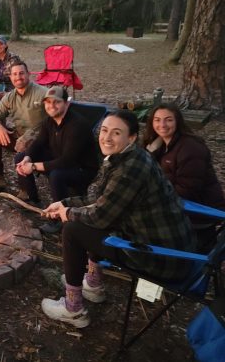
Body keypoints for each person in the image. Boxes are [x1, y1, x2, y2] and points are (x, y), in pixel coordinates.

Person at [40, 110, 195, 328]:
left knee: (73, 230)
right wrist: (64, 203)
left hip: (162, 256)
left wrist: (67, 214)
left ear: (131, 138)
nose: (107, 138)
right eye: (104, 130)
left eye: (116, 133)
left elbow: (100, 216)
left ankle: (73, 309)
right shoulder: (125, 156)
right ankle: (93, 285)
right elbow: (97, 198)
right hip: (163, 244)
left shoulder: (130, 168)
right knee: (84, 219)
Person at [15, 86, 99, 233]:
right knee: (20, 156)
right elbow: (39, 142)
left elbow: (67, 160)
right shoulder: (50, 121)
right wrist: (27, 159)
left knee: (57, 174)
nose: (51, 106)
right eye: (48, 102)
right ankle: (31, 197)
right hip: (61, 159)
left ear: (66, 104)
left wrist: (33, 167)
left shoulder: (77, 125)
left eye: (56, 102)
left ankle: (58, 220)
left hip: (82, 169)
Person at [143, 103, 225, 251]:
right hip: (176, 203)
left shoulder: (190, 148)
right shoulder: (157, 145)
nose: (162, 124)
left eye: (168, 120)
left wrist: (153, 199)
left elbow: (188, 189)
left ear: (177, 122)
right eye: (157, 120)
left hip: (199, 209)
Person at [0, 62, 47, 182]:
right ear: (10, 77)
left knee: (21, 154)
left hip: (40, 139)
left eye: (21, 73)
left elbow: (57, 117)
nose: (18, 77)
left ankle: (27, 192)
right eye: (15, 74)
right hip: (19, 136)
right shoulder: (9, 97)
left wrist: (35, 135)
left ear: (28, 74)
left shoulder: (43, 93)